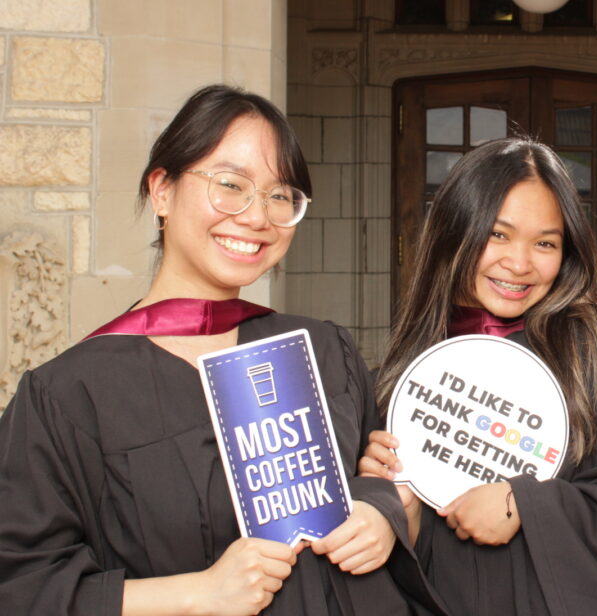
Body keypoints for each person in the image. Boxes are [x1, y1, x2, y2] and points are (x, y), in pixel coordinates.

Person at [0, 85, 442, 615]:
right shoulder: (69, 393)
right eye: (231, 185)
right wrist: (197, 594)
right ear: (161, 190)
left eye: (281, 196)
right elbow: (24, 587)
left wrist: (383, 514)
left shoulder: (323, 349)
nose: (258, 217)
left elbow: (387, 481)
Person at [361, 137, 597, 615]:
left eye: (545, 243)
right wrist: (396, 508)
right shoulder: (411, 370)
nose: (519, 263)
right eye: (497, 234)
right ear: (456, 230)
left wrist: (527, 505)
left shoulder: (593, 353)